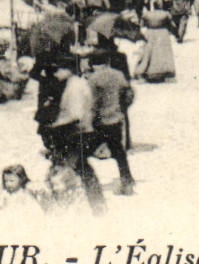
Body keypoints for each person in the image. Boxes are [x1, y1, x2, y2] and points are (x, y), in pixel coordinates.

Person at [48, 57, 106, 214]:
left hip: (77, 133)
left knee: (71, 168)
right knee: (83, 168)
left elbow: (75, 114)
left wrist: (55, 125)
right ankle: (97, 203)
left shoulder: (74, 87)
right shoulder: (78, 84)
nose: (55, 73)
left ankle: (76, 204)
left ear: (68, 69)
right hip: (84, 130)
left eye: (58, 69)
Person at [87, 51, 136, 196]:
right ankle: (127, 179)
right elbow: (128, 93)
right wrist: (123, 108)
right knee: (118, 151)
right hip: (115, 118)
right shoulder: (118, 74)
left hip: (99, 121)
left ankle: (87, 182)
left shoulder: (93, 79)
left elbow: (92, 102)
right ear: (107, 61)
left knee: (85, 150)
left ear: (93, 64)